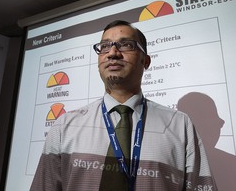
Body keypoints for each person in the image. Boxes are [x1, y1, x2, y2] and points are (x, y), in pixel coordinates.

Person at [31, 20, 217, 190]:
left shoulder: (180, 125)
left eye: (126, 45)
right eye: (105, 46)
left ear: (146, 61)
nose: (113, 53)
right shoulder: (65, 126)